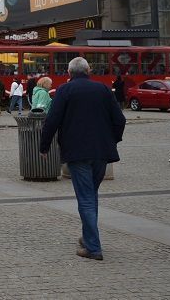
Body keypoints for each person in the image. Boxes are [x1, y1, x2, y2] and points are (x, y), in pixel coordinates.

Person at [40, 57, 126, 261]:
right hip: (101, 153)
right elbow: (120, 120)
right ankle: (88, 238)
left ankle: (93, 248)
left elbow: (52, 120)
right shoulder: (103, 89)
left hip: (77, 153)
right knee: (91, 195)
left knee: (86, 198)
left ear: (69, 73)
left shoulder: (64, 91)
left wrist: (44, 146)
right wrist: (112, 140)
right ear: (88, 70)